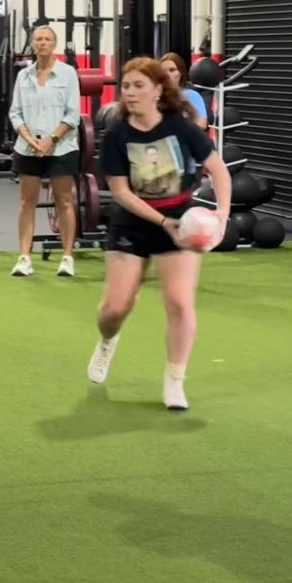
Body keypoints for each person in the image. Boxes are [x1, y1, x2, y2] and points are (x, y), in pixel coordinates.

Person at [87, 56, 232, 410]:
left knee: (180, 302)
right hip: (133, 220)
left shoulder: (182, 129)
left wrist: (222, 217)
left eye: (139, 86)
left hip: (181, 217)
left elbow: (219, 171)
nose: (131, 93)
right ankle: (108, 339)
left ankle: (175, 380)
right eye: (126, 87)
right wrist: (163, 222)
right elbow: (120, 192)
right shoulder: (117, 134)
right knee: (114, 308)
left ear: (157, 90)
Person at [7, 25, 82, 277]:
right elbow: (15, 112)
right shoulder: (24, 75)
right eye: (38, 39)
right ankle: (24, 257)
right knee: (27, 202)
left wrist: (50, 139)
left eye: (47, 39)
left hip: (61, 148)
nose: (42, 43)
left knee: (64, 201)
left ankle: (67, 257)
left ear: (54, 44)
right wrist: (29, 138)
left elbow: (73, 115)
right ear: (33, 44)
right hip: (28, 148)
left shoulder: (68, 73)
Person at [159, 52, 209, 129]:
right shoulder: (154, 95)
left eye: (172, 70)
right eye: (163, 71)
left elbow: (202, 124)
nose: (167, 75)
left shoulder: (192, 95)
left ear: (181, 73)